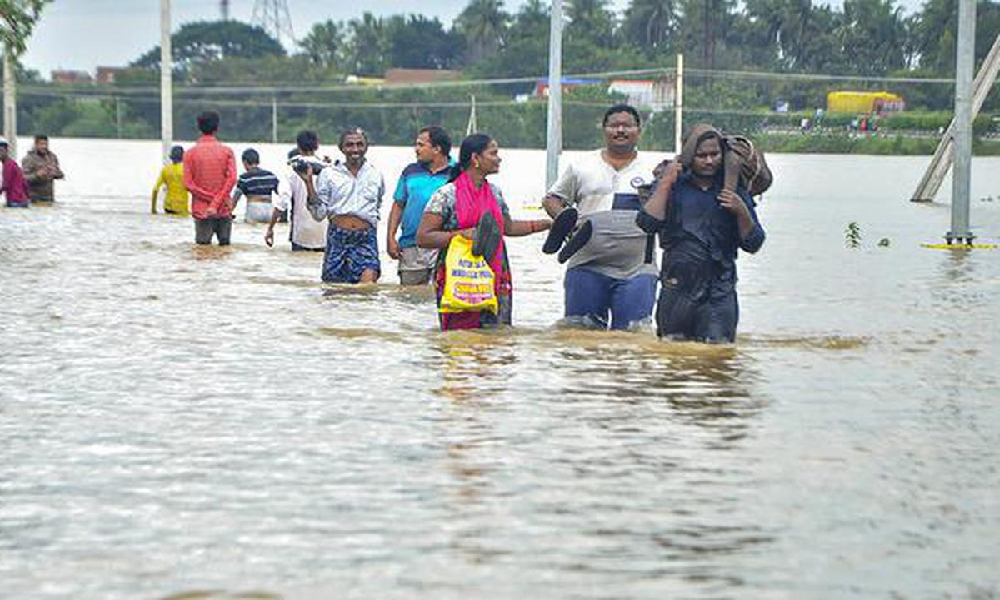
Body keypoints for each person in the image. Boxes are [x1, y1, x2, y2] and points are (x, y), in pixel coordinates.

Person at [636, 123, 765, 343]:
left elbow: (754, 243)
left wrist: (741, 211)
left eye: (714, 154)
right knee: (672, 351)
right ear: (688, 156)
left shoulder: (733, 190)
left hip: (720, 289)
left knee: (718, 351)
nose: (708, 161)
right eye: (701, 155)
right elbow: (647, 223)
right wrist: (666, 182)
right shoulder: (673, 186)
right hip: (677, 287)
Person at [541, 104, 661, 331]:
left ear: (639, 130)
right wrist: (564, 219)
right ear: (604, 129)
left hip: (638, 268)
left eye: (628, 126)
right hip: (586, 264)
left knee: (633, 336)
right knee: (579, 335)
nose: (621, 131)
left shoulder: (654, 170)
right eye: (614, 125)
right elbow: (551, 199)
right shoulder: (581, 166)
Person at [417, 133, 551, 331]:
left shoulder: (495, 193)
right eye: (493, 153)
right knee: (458, 338)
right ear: (475, 158)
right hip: (458, 271)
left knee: (496, 334)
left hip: (494, 270)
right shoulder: (447, 194)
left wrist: (546, 224)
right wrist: (462, 235)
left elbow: (507, 228)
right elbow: (423, 237)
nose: (499, 158)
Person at [304, 128, 384, 283]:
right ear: (341, 148)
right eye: (350, 145)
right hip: (338, 237)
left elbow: (377, 205)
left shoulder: (376, 174)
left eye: (359, 144)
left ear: (366, 147)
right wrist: (308, 183)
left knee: (367, 289)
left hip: (365, 238)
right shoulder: (328, 174)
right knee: (334, 291)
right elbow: (319, 214)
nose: (355, 149)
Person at [387, 126, 454, 285]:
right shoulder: (410, 171)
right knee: (409, 299)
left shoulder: (457, 173)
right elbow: (398, 205)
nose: (416, 149)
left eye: (421, 145)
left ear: (437, 149)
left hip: (445, 245)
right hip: (411, 246)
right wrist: (390, 237)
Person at [266, 131, 328, 252]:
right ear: (317, 146)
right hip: (324, 234)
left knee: (297, 266)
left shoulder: (292, 168)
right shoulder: (328, 169)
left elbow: (282, 201)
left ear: (298, 146)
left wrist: (270, 228)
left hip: (300, 234)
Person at [183, 111, 237, 245]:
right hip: (224, 207)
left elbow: (188, 184)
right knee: (225, 251)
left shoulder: (190, 154)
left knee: (202, 252)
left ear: (199, 128)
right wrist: (217, 201)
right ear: (217, 128)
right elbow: (232, 179)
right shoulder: (227, 152)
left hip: (202, 211)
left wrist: (211, 200)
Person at [233, 148, 279, 224]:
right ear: (258, 161)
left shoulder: (244, 178)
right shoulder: (270, 176)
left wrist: (228, 213)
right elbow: (281, 194)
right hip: (269, 210)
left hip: (254, 209)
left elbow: (235, 199)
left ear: (244, 162)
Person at [21, 135, 64, 203]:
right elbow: (23, 178)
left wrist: (56, 173)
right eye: (41, 144)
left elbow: (61, 174)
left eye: (46, 144)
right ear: (35, 145)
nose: (44, 146)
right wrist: (37, 175)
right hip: (34, 199)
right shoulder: (28, 159)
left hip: (49, 198)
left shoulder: (52, 157)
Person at [151, 145, 189, 215]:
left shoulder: (165, 169)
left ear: (171, 157)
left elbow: (155, 189)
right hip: (181, 207)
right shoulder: (186, 170)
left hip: (168, 207)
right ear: (183, 156)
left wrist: (153, 209)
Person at [1, 137, 30, 207]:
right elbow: (24, 182)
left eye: (1, 151)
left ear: (6, 151)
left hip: (14, 201)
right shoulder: (13, 164)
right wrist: (28, 197)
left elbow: (5, 184)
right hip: (23, 201)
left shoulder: (8, 165)